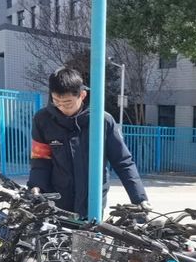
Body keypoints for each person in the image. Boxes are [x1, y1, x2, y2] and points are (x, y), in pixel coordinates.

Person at [28, 67, 149, 218]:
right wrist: (36, 186)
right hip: (57, 200)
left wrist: (139, 198)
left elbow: (122, 161)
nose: (62, 108)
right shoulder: (43, 120)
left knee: (90, 232)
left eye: (68, 103)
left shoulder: (102, 121)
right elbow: (40, 158)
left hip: (92, 200)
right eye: (56, 102)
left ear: (82, 95)